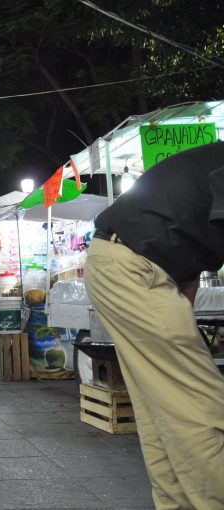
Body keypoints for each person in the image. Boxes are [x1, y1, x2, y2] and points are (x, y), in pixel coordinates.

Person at [84, 142, 224, 509]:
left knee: (161, 408)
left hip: (120, 264)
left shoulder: (208, 168)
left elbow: (188, 261)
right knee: (204, 409)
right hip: (133, 269)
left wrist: (182, 323)